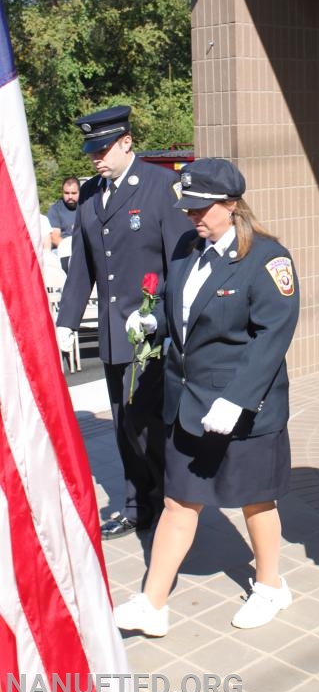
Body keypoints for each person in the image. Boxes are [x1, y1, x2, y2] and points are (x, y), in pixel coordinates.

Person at [113, 157, 300, 634]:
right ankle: (153, 603)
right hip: (190, 401)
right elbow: (184, 311)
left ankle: (271, 585)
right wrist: (155, 324)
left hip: (243, 407)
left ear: (232, 204)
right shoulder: (186, 248)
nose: (193, 217)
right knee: (180, 500)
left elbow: (273, 336)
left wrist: (238, 398)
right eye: (189, 207)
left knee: (255, 500)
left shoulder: (267, 258)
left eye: (203, 208)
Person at [56, 105, 191, 540]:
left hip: (149, 333)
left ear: (126, 142)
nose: (95, 157)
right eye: (90, 149)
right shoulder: (92, 194)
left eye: (102, 148)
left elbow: (180, 264)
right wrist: (66, 323)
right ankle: (138, 505)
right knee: (123, 424)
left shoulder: (161, 187)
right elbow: (83, 266)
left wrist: (162, 318)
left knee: (149, 425)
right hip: (115, 333)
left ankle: (172, 504)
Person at [48, 175, 80, 246]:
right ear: (62, 192)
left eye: (74, 193)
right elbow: (55, 238)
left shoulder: (86, 206)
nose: (70, 197)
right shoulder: (55, 210)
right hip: (65, 249)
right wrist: (72, 250)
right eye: (66, 193)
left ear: (79, 192)